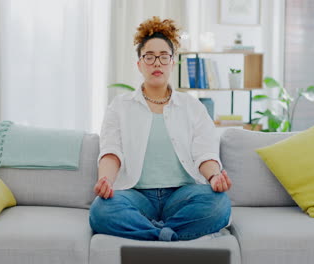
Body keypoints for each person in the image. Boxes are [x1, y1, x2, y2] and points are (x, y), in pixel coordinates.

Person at [89, 16, 232, 241]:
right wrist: (105, 179)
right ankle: (166, 235)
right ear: (139, 64)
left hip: (182, 194)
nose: (157, 63)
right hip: (135, 194)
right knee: (101, 211)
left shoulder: (192, 107)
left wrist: (214, 176)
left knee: (219, 204)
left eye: (164, 57)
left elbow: (205, 153)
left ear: (173, 62)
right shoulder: (120, 106)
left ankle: (150, 233)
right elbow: (111, 151)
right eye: (149, 57)